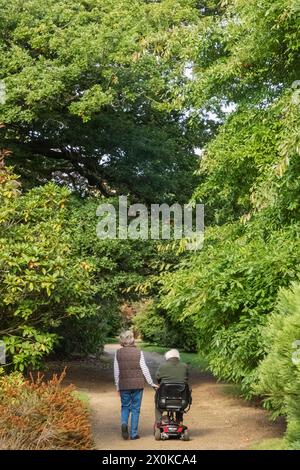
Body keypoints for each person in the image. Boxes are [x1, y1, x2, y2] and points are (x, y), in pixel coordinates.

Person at [114, 330, 158, 440]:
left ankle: (124, 423)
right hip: (138, 385)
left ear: (122, 341)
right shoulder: (139, 352)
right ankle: (133, 434)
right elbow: (144, 369)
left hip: (124, 385)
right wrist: (151, 383)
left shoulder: (118, 353)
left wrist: (117, 386)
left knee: (125, 406)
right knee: (135, 409)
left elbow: (116, 371)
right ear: (132, 339)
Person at [155, 349, 189, 424]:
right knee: (182, 393)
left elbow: (158, 378)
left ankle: (158, 421)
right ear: (178, 357)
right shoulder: (184, 366)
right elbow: (186, 378)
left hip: (163, 401)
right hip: (182, 401)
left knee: (158, 402)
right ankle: (179, 420)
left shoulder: (162, 366)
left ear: (167, 357)